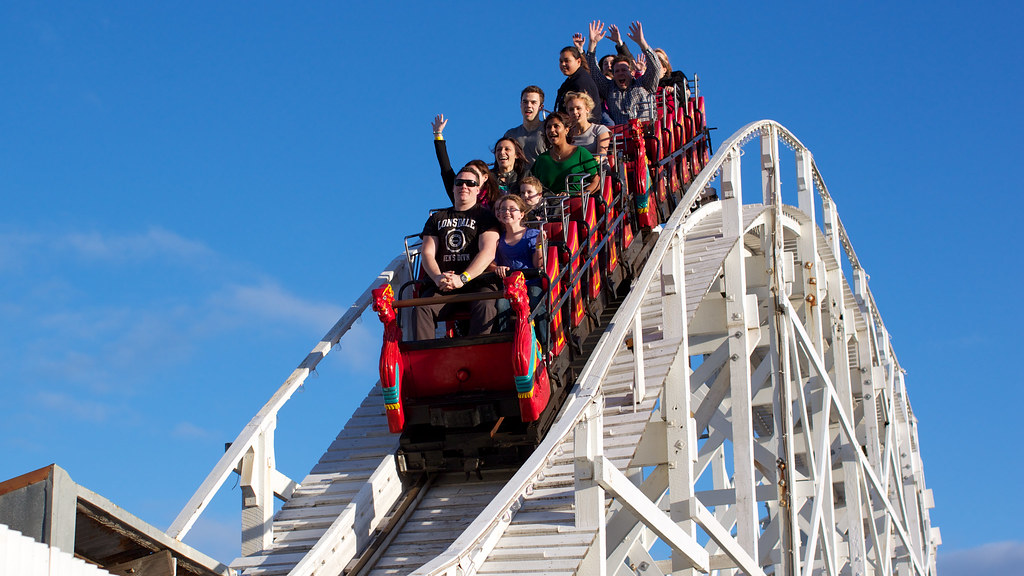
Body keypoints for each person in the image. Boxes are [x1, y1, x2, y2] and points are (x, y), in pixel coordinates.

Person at [414, 168, 501, 340]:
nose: (464, 186)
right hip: (444, 283)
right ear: (453, 188)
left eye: (470, 183)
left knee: (485, 306)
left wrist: (463, 278)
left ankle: (476, 352)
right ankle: (425, 358)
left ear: (478, 189)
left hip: (478, 282)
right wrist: (437, 277)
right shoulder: (437, 217)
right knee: (422, 307)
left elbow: (488, 251)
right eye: (459, 183)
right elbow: (427, 252)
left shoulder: (486, 217)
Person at [492, 194, 547, 344]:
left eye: (511, 209)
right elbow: (491, 262)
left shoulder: (532, 234)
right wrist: (497, 268)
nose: (507, 212)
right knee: (501, 305)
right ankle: (505, 344)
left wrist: (539, 245)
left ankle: (546, 343)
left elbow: (538, 264)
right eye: (503, 209)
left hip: (531, 281)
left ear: (521, 214)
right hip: (510, 284)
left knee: (536, 301)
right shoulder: (499, 240)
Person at [585, 20, 662, 125]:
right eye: (617, 71)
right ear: (613, 74)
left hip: (648, 133)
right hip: (623, 137)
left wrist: (642, 43)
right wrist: (592, 44)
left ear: (631, 72)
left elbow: (655, 67)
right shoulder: (609, 88)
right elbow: (593, 71)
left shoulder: (644, 84)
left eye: (624, 70)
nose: (621, 73)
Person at [431, 114, 500, 207]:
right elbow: (445, 167)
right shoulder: (460, 192)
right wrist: (438, 134)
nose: (465, 185)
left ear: (485, 177)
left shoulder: (495, 199)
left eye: (474, 175)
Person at [530, 112, 600, 196]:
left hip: (577, 204)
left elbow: (596, 182)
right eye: (548, 127)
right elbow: (532, 186)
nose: (552, 130)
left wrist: (580, 195)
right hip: (549, 206)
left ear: (566, 130)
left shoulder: (581, 153)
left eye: (556, 126)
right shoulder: (542, 159)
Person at [553, 46, 602, 124]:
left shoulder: (581, 82)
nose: (563, 64)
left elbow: (585, 112)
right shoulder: (569, 81)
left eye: (567, 61)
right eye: (561, 61)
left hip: (585, 130)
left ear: (578, 61)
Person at [503, 86, 547, 166]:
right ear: (520, 105)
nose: (528, 105)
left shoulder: (548, 131)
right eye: (525, 102)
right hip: (519, 178)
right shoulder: (511, 135)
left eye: (533, 102)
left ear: (541, 107)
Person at [564, 91, 610, 159]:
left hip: (598, 168)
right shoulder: (567, 134)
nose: (575, 112)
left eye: (578, 108)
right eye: (571, 110)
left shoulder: (600, 130)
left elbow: (601, 155)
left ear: (587, 109)